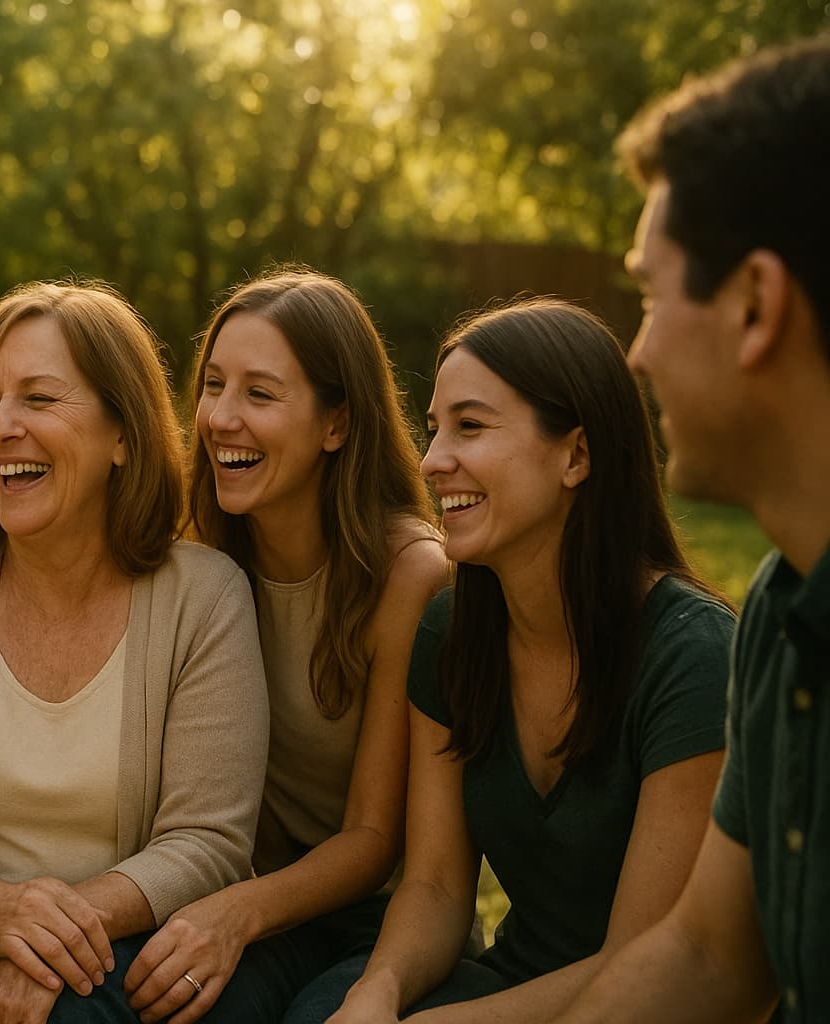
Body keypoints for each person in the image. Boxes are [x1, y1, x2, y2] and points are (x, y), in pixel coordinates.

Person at [312, 299, 735, 1024]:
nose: (432, 459)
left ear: (577, 454)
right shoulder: (450, 631)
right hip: (512, 984)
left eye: (470, 427)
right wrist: (376, 994)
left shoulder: (692, 657)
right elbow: (440, 887)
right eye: (435, 427)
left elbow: (641, 965)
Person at [0, 280, 270, 1024]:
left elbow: (208, 841)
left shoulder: (204, 596)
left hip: (147, 940)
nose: (1, 427)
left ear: (123, 435)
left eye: (39, 400)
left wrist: (52, 933)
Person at [552, 36, 830, 1024]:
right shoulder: (782, 611)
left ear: (754, 303)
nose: (638, 349)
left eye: (650, 294)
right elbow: (712, 953)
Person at [114, 269, 447, 1024]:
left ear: (336, 424)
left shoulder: (411, 575)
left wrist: (236, 916)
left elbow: (373, 837)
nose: (222, 418)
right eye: (214, 385)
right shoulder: (198, 550)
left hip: (375, 925)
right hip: (237, 895)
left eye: (260, 395)